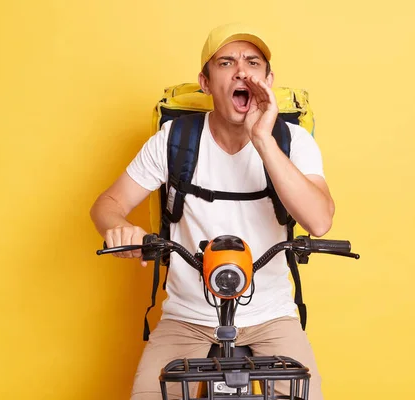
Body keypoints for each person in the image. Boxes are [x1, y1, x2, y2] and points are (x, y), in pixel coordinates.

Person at [90, 22, 335, 400]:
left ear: (268, 79)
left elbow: (319, 221)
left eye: (253, 62)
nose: (241, 71)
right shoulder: (174, 140)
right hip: (186, 318)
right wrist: (119, 228)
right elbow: (106, 205)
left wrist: (263, 140)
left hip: (271, 316)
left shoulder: (292, 142)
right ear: (205, 81)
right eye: (226, 62)